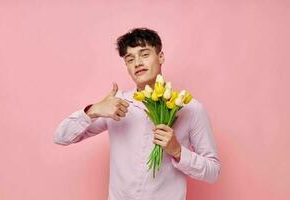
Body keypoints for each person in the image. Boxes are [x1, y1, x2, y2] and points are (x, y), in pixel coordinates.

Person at [54, 27, 221, 200]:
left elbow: (213, 171)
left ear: (161, 57)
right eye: (130, 58)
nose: (137, 63)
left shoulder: (190, 108)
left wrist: (178, 151)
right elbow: (61, 137)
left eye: (145, 54)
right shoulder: (116, 105)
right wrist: (93, 110)